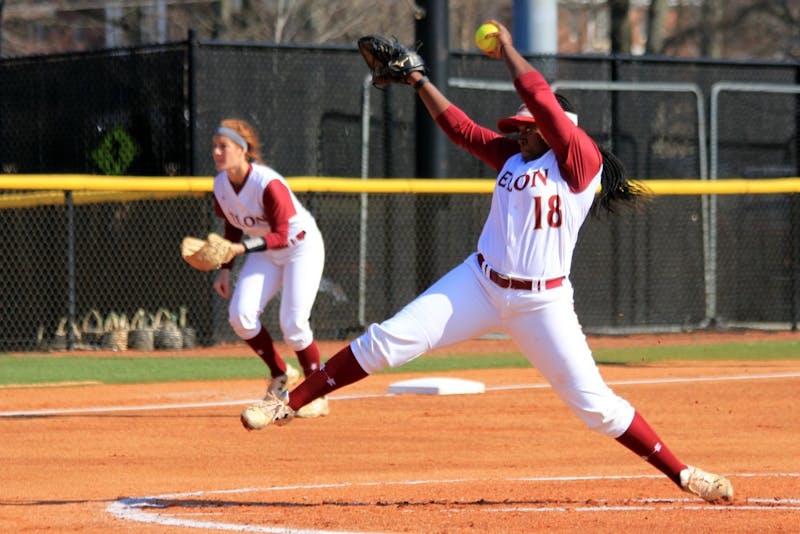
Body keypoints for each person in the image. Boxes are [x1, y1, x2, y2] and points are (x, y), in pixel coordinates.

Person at [242, 21, 733, 503]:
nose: (519, 134)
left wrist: (510, 51)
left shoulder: (580, 163)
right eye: (518, 129)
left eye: (527, 128)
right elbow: (461, 130)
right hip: (479, 283)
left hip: (543, 304)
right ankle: (289, 403)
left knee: (597, 408)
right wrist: (419, 80)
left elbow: (542, 98)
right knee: (385, 341)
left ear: (556, 129)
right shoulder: (515, 158)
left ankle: (686, 474)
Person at [211, 118, 329, 418]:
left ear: (242, 149)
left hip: (300, 247)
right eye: (215, 146)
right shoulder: (221, 184)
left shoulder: (268, 184)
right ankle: (281, 374)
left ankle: (318, 393)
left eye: (223, 146)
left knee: (293, 324)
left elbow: (280, 234)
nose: (216, 152)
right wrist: (225, 269)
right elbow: (232, 224)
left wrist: (241, 249)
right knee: (240, 316)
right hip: (265, 251)